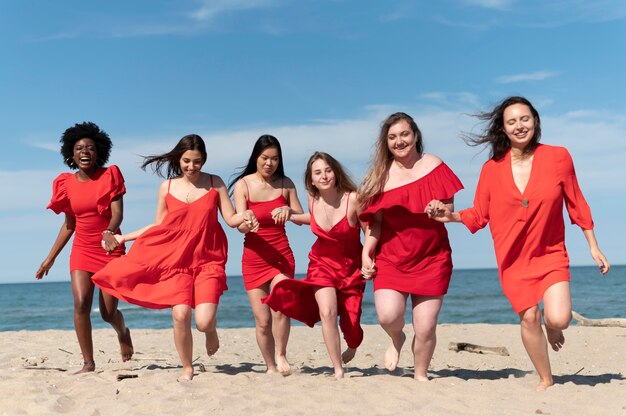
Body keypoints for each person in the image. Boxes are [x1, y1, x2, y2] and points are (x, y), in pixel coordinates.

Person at [426, 96, 610, 390]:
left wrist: (593, 245)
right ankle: (545, 378)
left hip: (550, 253)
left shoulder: (558, 157)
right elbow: (479, 214)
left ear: (535, 120)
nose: (519, 125)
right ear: (503, 128)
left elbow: (576, 201)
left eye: (525, 118)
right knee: (528, 317)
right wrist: (448, 215)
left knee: (560, 318)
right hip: (513, 259)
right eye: (512, 121)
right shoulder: (492, 169)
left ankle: (552, 328)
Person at [91, 134, 258, 381]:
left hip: (208, 261)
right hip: (175, 261)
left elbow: (232, 219)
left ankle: (211, 331)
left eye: (197, 161)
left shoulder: (215, 183)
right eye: (187, 161)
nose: (192, 166)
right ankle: (187, 367)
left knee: (202, 321)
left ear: (204, 160)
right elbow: (158, 226)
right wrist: (123, 238)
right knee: (180, 315)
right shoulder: (167, 187)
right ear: (179, 159)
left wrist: (246, 218)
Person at [359, 112, 463, 381]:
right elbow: (375, 223)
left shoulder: (434, 165)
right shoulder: (380, 176)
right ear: (386, 143)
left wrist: (439, 209)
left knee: (426, 327)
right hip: (392, 259)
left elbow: (449, 210)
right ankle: (397, 338)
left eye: (404, 134)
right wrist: (365, 253)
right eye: (392, 137)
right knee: (388, 316)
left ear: (415, 135)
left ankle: (420, 374)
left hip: (432, 258)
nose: (399, 141)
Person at [35, 122, 134, 374]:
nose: (85, 151)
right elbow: (69, 225)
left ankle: (123, 332)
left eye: (90, 147)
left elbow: (117, 214)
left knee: (108, 313)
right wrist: (50, 258)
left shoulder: (110, 175)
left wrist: (109, 232)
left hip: (110, 248)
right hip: (82, 249)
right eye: (79, 147)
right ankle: (88, 363)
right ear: (71, 153)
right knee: (80, 304)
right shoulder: (65, 184)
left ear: (99, 151)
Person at [263, 152, 366, 379]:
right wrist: (290, 213)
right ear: (311, 179)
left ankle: (353, 342)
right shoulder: (313, 200)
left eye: (328, 170)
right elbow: (313, 218)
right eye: (318, 172)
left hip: (351, 269)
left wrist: (369, 256)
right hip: (321, 265)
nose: (324, 176)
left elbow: (369, 229)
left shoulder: (353, 198)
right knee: (327, 312)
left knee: (351, 323)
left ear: (336, 172)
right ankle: (338, 369)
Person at [229, 134, 303, 375]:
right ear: (256, 158)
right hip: (253, 258)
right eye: (265, 158)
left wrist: (288, 210)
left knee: (280, 305)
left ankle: (281, 354)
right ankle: (270, 366)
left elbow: (302, 218)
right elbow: (239, 224)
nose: (269, 163)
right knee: (263, 321)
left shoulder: (286, 183)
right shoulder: (244, 185)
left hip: (281, 255)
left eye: (274, 159)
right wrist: (246, 221)